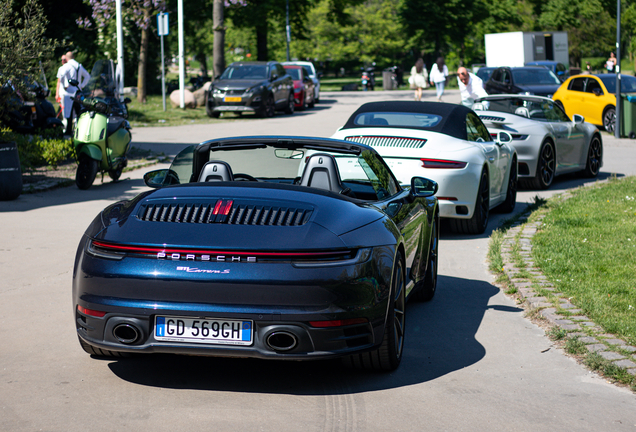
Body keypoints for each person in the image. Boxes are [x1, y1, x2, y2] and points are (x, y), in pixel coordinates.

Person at [58, 51, 90, 135]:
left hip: (69, 92)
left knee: (68, 114)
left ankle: (68, 132)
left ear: (67, 58)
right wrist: (82, 86)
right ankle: (80, 131)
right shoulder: (79, 65)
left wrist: (64, 85)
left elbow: (61, 75)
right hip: (78, 91)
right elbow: (87, 76)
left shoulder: (67, 66)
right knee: (79, 112)